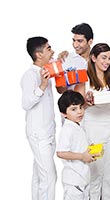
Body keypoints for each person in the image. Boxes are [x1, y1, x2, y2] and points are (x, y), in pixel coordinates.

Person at [81, 43, 110, 200]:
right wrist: (86, 102)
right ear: (93, 58)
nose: (107, 62)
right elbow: (78, 107)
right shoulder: (84, 78)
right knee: (96, 170)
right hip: (92, 126)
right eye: (103, 58)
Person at [21, 36, 57, 200]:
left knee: (39, 176)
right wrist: (42, 85)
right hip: (38, 134)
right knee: (49, 177)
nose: (52, 51)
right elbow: (26, 103)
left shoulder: (46, 72)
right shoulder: (30, 75)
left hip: (48, 132)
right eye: (49, 49)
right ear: (39, 54)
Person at [56, 90, 98, 200]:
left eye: (81, 107)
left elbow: (79, 146)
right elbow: (61, 153)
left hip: (83, 178)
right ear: (63, 113)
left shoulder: (77, 126)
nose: (80, 112)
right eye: (74, 109)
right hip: (74, 180)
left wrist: (90, 149)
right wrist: (82, 156)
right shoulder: (68, 129)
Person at [57, 22, 94, 96]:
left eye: (80, 41)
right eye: (74, 40)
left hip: (96, 104)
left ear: (90, 42)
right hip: (75, 105)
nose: (75, 45)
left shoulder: (99, 59)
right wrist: (69, 79)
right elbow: (60, 90)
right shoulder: (66, 59)